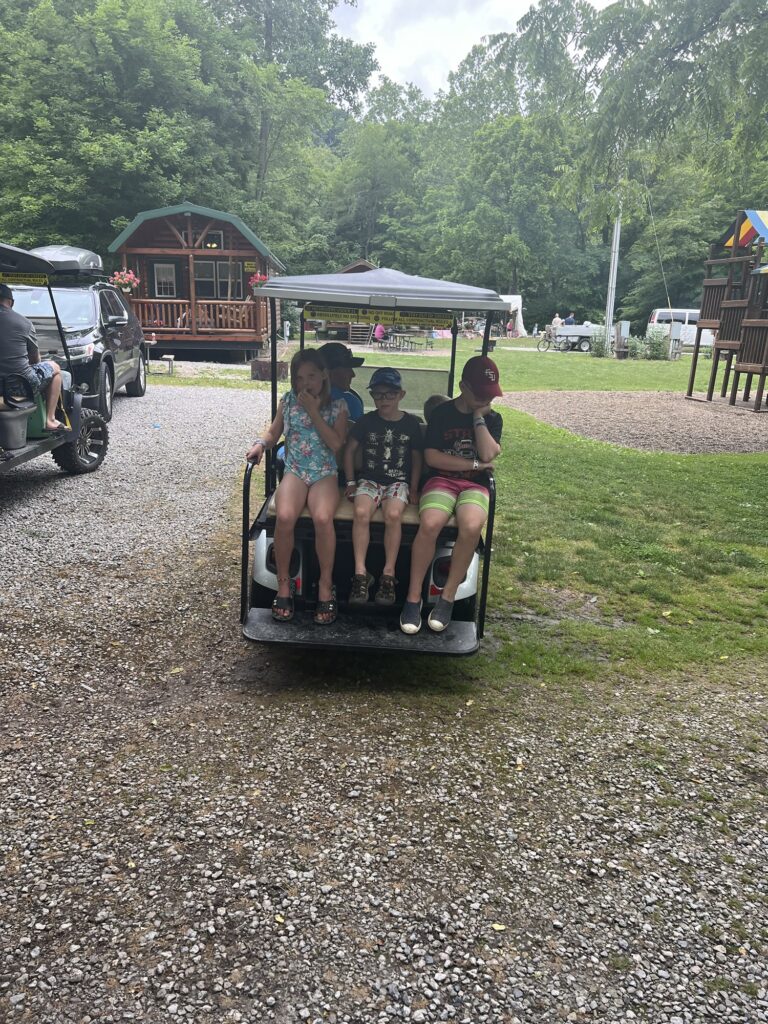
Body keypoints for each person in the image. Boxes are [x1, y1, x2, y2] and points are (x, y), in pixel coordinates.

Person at [400, 356, 503, 635]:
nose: (485, 398)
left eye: (489, 394)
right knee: (431, 523)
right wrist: (473, 465)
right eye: (480, 393)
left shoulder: (493, 418)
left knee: (471, 526)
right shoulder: (443, 414)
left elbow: (489, 454)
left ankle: (446, 598)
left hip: (474, 486)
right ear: (463, 387)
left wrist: (478, 418)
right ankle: (412, 598)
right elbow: (433, 457)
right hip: (441, 481)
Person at [246, 349, 348, 625]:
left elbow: (337, 445)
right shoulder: (288, 401)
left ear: (324, 376)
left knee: (323, 518)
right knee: (285, 516)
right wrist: (260, 444)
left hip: (324, 472)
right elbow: (274, 431)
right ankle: (283, 584)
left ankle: (326, 586)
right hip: (295, 470)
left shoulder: (338, 406)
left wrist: (314, 412)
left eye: (312, 376)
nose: (306, 383)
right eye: (300, 377)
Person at [343, 368, 423, 606]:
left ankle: (389, 573)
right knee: (360, 512)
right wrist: (350, 482)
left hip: (398, 481)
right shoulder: (366, 421)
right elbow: (349, 450)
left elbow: (417, 458)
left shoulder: (411, 424)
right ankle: (360, 572)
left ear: (401, 395)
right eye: (378, 395)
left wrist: (415, 488)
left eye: (389, 395)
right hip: (369, 479)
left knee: (394, 513)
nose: (383, 400)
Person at [0, 283, 63, 431]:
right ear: (11, 302)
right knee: (55, 369)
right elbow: (35, 360)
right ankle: (50, 419)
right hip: (19, 387)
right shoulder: (24, 323)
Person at [317, 342, 365, 422]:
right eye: (347, 368)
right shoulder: (350, 401)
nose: (353, 374)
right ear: (327, 372)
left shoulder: (301, 398)